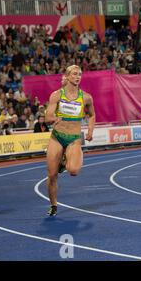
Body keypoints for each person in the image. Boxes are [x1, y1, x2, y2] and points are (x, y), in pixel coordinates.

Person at [45, 65, 95, 216]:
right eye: (74, 74)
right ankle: (53, 205)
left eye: (80, 74)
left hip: (74, 138)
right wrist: (54, 118)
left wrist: (90, 130)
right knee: (52, 175)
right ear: (67, 76)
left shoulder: (86, 97)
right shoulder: (57, 95)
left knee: (73, 170)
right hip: (57, 137)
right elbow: (47, 118)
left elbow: (92, 115)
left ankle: (64, 161)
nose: (78, 76)